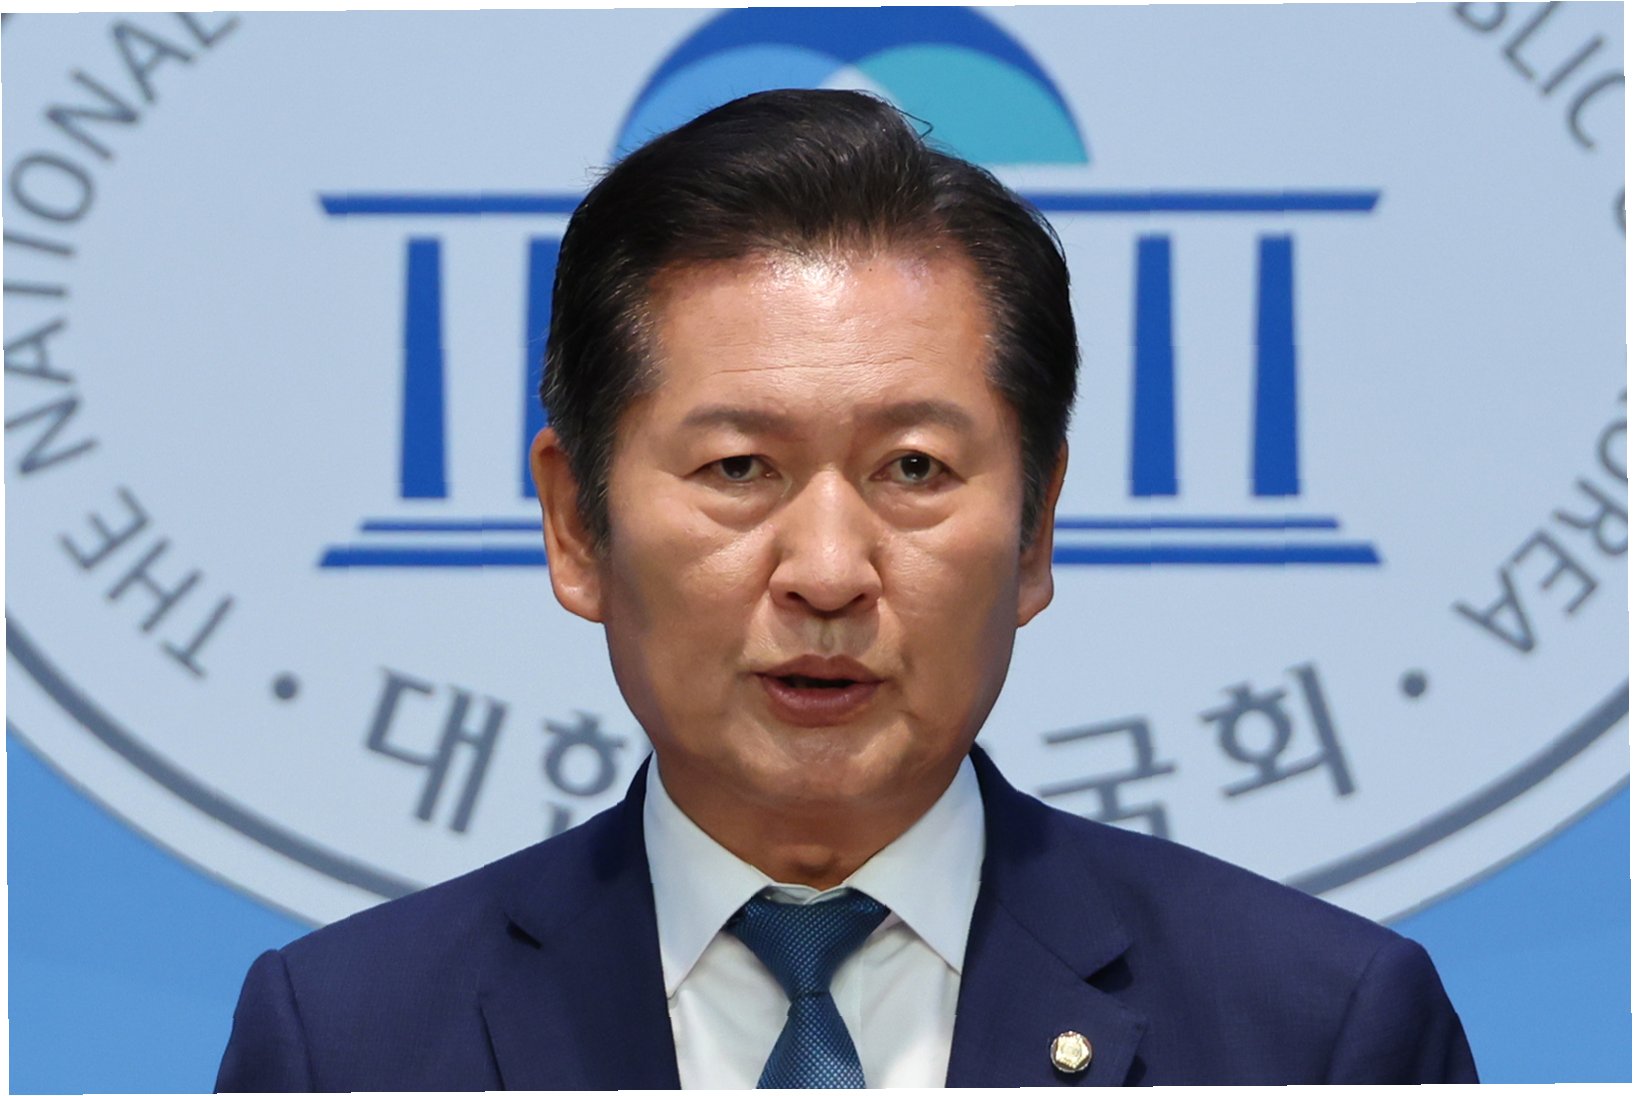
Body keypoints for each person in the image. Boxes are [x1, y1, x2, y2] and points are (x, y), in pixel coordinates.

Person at [216, 88, 1477, 1090]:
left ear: (1034, 528)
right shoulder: (350, 1042)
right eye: (739, 468)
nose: (827, 571)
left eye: (913, 468)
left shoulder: (1314, 1030)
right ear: (575, 523)